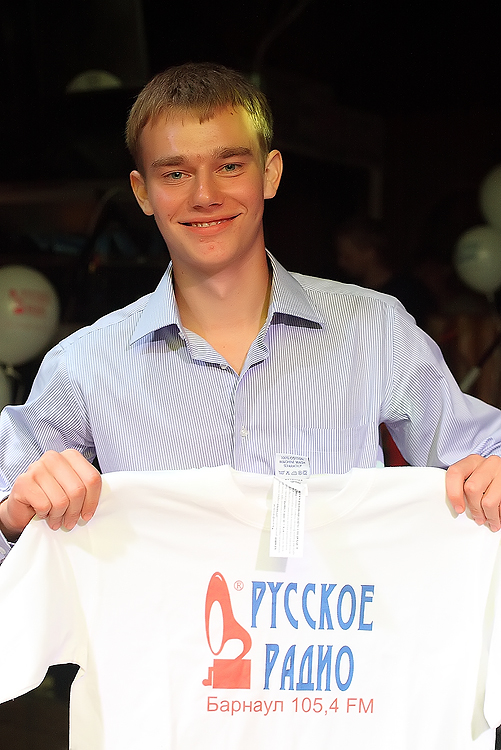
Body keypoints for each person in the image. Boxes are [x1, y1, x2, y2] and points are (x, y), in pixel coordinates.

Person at [1, 61, 501, 552]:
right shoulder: (85, 363)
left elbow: (486, 452)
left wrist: (493, 475)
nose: (204, 195)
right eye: (175, 173)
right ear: (142, 193)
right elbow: (8, 505)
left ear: (270, 174)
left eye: (229, 166)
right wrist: (13, 518)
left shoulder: (375, 330)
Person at [335, 215, 434, 331]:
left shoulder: (408, 293)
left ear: (370, 252)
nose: (341, 262)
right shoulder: (349, 293)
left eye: (347, 257)